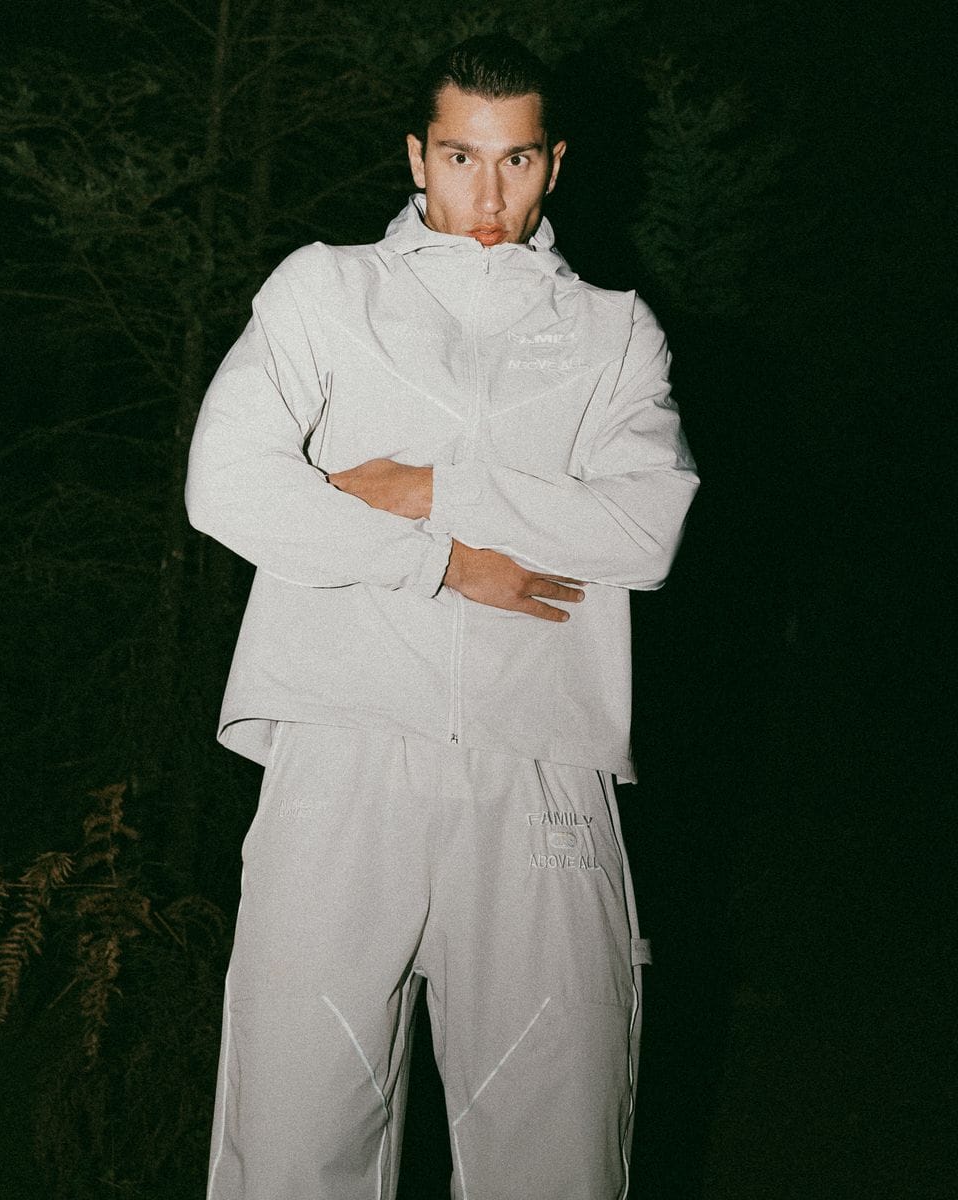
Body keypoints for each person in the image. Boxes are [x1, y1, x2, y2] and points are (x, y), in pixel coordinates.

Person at [186, 32, 698, 1200]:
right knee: (292, 1139)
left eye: (516, 161)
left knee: (554, 1150)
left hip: (541, 769)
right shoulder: (328, 292)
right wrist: (447, 563)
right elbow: (229, 486)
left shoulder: (613, 331)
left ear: (554, 163)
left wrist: (432, 487)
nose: (488, 197)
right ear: (418, 156)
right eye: (462, 158)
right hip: (339, 750)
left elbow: (646, 528)